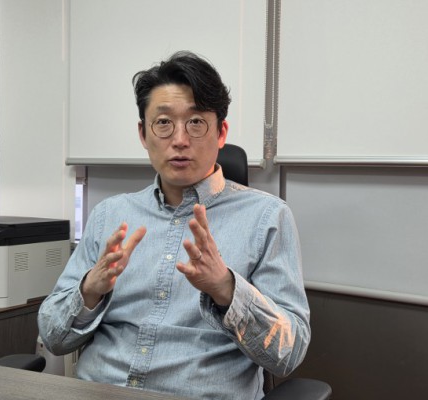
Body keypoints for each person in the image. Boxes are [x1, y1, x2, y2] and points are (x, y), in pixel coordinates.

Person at [38, 51, 310, 400]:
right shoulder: (110, 215)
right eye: (164, 122)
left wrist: (226, 289)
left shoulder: (267, 217)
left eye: (196, 122)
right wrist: (90, 289)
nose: (180, 139)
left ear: (221, 132)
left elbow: (289, 354)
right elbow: (53, 338)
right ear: (143, 133)